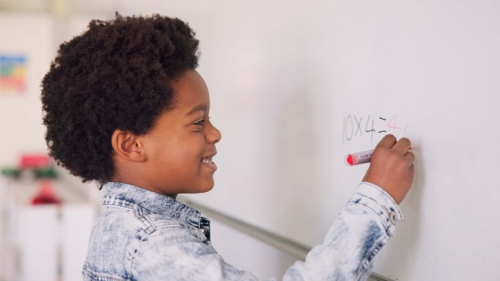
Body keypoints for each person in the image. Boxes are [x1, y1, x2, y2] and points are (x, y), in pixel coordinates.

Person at [41, 13, 414, 281]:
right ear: (132, 144)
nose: (215, 134)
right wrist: (376, 200)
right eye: (197, 122)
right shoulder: (154, 244)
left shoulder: (124, 229)